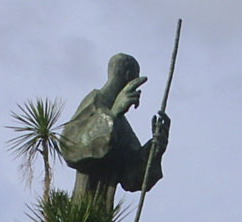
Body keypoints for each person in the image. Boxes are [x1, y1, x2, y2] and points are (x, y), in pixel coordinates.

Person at [60, 53, 171, 211]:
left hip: (103, 215)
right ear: (128, 75)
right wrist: (114, 113)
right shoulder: (95, 102)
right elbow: (70, 147)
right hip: (80, 210)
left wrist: (155, 148)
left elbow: (132, 178)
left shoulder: (121, 124)